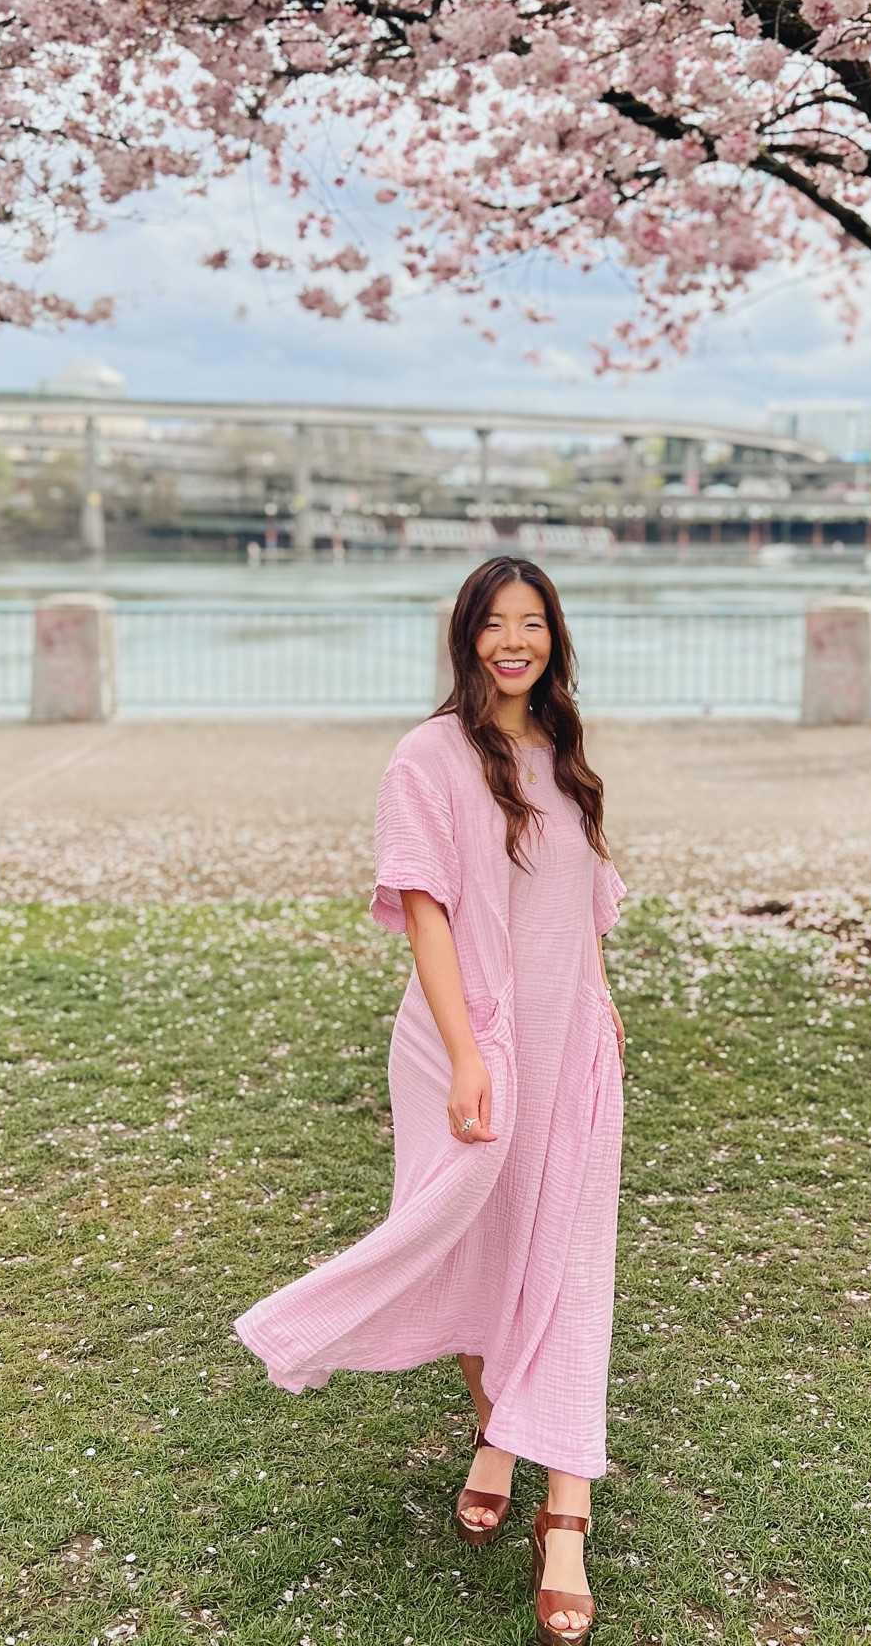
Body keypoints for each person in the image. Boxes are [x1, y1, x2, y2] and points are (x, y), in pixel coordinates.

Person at [236, 556, 626, 1644]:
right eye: (496, 624)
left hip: (571, 1039)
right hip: (469, 1041)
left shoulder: (566, 752)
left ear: (554, 635)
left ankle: (564, 1520)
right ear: (466, 637)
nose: (516, 640)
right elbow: (428, 912)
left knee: (567, 1252)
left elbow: (581, 916)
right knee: (468, 1238)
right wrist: (467, 1054)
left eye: (533, 622)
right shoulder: (428, 756)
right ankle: (492, 1425)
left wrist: (602, 1008)